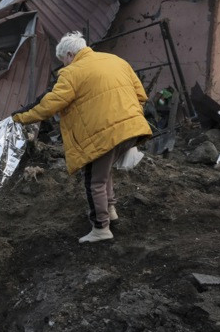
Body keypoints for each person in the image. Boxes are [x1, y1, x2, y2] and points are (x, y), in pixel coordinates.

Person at [13, 31, 151, 243]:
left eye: (63, 61)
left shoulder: (72, 72)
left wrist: (21, 118)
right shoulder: (116, 60)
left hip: (104, 134)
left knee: (93, 180)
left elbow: (50, 105)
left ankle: (100, 228)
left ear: (69, 54)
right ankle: (110, 210)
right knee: (103, 171)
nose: (64, 65)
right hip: (133, 129)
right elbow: (141, 95)